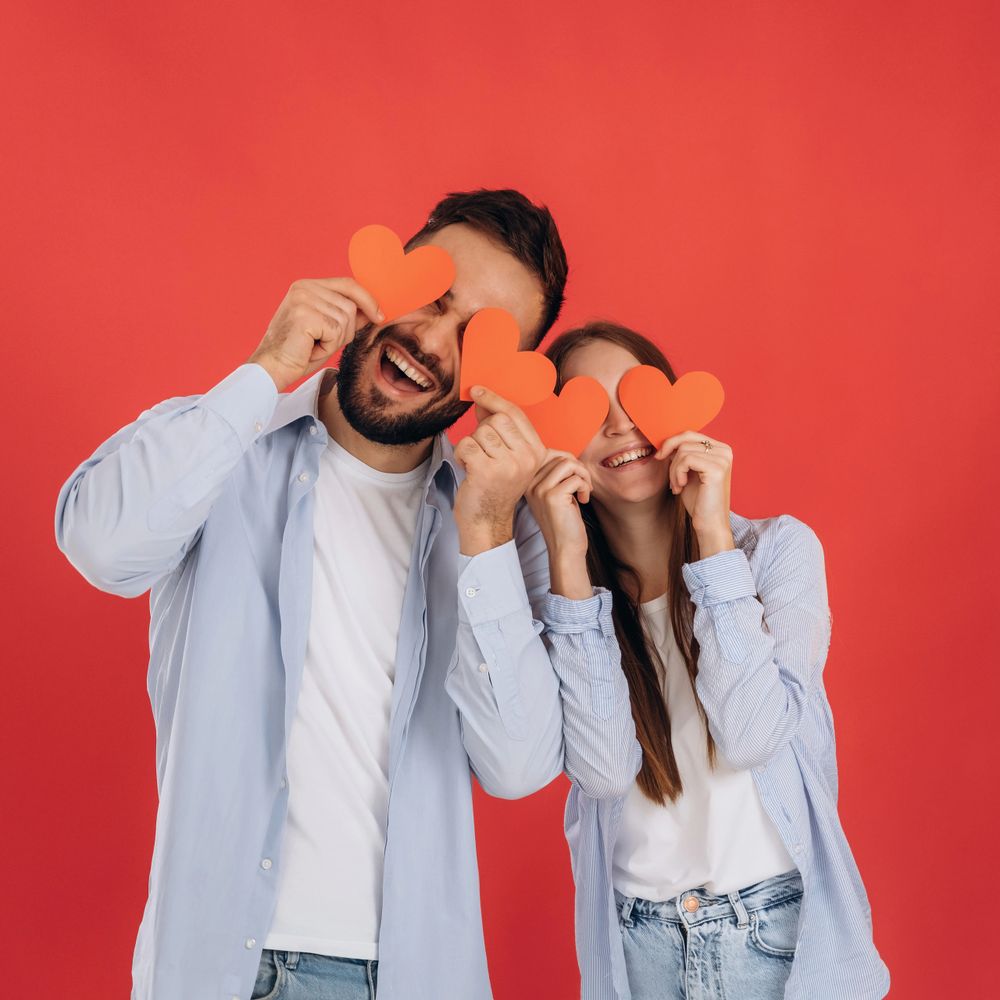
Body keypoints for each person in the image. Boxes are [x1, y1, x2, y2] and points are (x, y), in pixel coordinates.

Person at [54, 189, 578, 1000]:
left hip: (410, 975)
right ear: (384, 276)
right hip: (215, 967)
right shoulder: (225, 447)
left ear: (497, 381)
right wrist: (265, 373)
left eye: (476, 338)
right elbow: (98, 543)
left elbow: (517, 768)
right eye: (432, 299)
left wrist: (483, 532)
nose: (431, 343)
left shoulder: (495, 536)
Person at [524, 321, 890, 1000]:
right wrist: (567, 562)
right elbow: (603, 772)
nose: (619, 426)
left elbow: (753, 735)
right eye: (586, 410)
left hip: (776, 937)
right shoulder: (564, 598)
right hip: (640, 947)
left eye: (637, 399)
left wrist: (714, 535)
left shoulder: (777, 552)